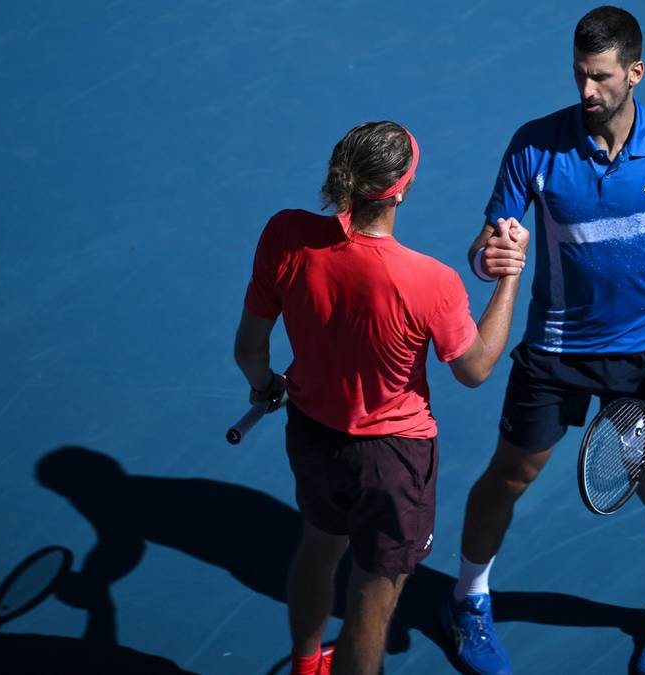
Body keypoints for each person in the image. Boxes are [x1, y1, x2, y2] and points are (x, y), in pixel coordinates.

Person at [441, 7, 645, 675]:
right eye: (578, 76)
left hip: (642, 356)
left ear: (635, 72)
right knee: (511, 473)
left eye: (599, 78)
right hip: (554, 349)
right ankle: (466, 597)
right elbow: (487, 244)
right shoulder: (535, 145)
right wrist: (491, 257)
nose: (586, 91)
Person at [233, 121, 529, 675]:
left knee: (319, 543)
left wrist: (265, 385)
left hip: (312, 434)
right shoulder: (431, 281)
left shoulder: (284, 234)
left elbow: (250, 349)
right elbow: (476, 369)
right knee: (374, 590)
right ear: (400, 190)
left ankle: (305, 664)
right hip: (392, 459)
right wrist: (510, 275)